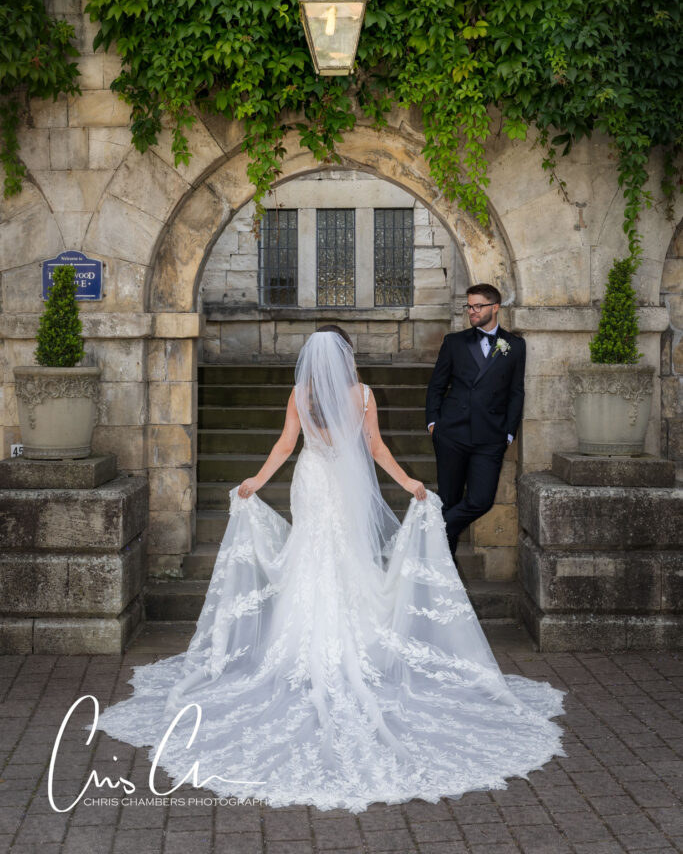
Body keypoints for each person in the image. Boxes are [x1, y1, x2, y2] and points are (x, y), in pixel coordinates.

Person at [93, 324, 563, 813]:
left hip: (312, 479)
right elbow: (377, 450)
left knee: (311, 551)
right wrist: (409, 483)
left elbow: (284, 446)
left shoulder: (302, 392)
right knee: (345, 554)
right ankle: (353, 639)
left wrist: (256, 480)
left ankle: (300, 641)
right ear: (346, 357)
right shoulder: (361, 394)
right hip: (345, 481)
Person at [426, 284, 525, 560]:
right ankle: (444, 570)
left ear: (495, 307)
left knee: (481, 500)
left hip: (490, 438)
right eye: (469, 306)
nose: (472, 311)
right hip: (451, 435)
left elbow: (516, 391)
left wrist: (508, 433)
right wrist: (433, 424)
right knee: (450, 500)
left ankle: (433, 531)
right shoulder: (454, 342)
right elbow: (437, 386)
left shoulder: (515, 346)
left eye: (478, 306)